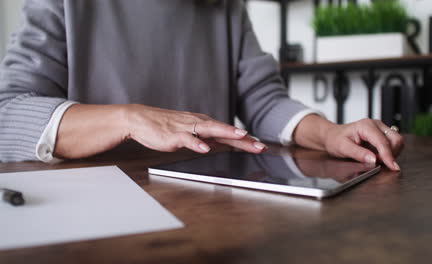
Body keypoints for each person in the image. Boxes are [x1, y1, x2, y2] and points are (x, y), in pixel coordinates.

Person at [0, 0, 403, 170]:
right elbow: (9, 112)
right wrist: (130, 118)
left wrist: (330, 133)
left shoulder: (224, 6)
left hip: (207, 209)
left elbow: (261, 100)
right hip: (90, 214)